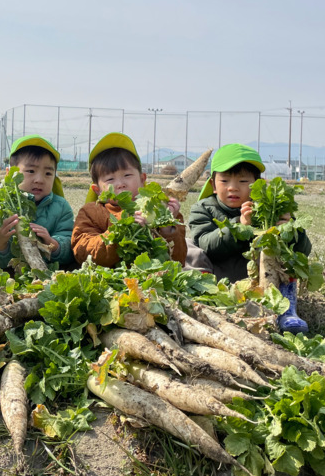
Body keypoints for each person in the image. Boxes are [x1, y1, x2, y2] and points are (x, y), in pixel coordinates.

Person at [187, 143, 312, 333]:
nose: (233, 188)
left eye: (243, 182)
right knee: (191, 249)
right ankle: (206, 302)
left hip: (263, 285)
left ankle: (285, 310)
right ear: (213, 185)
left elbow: (304, 250)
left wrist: (289, 229)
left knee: (288, 255)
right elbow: (207, 244)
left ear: (257, 185)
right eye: (225, 181)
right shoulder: (203, 209)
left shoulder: (268, 210)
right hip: (221, 282)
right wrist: (240, 226)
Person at [0, 135, 75, 289]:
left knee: (80, 254)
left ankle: (54, 289)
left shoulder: (61, 207)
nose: (40, 179)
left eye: (48, 173)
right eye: (30, 171)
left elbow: (68, 243)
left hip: (49, 273)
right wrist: (0, 243)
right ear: (10, 173)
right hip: (7, 275)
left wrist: (53, 244)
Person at [71, 133, 186, 267]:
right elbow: (83, 253)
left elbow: (178, 261)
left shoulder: (163, 212)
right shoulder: (90, 212)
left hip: (151, 283)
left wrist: (167, 229)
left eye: (127, 175)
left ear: (142, 180)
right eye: (110, 179)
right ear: (97, 190)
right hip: (108, 282)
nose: (120, 183)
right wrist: (123, 225)